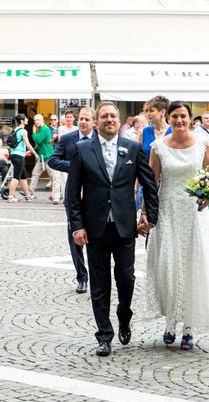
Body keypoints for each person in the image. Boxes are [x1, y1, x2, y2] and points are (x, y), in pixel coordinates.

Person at [67, 101, 158, 357]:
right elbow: (72, 194)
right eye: (104, 116)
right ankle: (104, 336)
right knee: (99, 284)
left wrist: (149, 215)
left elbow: (149, 185)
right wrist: (77, 226)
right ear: (96, 122)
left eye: (113, 116)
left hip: (125, 226)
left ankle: (124, 315)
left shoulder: (133, 148)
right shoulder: (81, 150)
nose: (109, 119)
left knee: (126, 279)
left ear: (119, 121)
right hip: (94, 228)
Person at [144, 101, 209, 350]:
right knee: (167, 266)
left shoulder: (203, 143)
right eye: (175, 116)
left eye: (184, 116)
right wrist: (146, 213)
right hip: (167, 211)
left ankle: (188, 326)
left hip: (193, 212)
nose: (179, 120)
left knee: (192, 266)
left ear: (190, 119)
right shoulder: (157, 147)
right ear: (168, 118)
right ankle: (170, 322)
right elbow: (151, 182)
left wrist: (206, 193)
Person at [48, 106, 96, 294]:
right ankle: (82, 277)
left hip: (94, 195)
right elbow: (53, 160)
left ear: (94, 122)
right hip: (74, 194)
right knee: (74, 234)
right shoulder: (68, 139)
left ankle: (97, 275)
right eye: (81, 119)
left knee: (95, 235)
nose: (83, 122)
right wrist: (75, 167)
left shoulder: (99, 139)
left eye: (87, 119)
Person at [29, 114, 60, 204]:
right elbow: (40, 145)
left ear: (42, 120)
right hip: (42, 157)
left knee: (54, 176)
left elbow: (38, 140)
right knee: (35, 173)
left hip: (48, 156)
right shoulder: (41, 129)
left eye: (38, 120)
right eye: (35, 120)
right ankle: (30, 193)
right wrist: (31, 151)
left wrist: (33, 131)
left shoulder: (44, 129)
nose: (36, 122)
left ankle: (55, 196)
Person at [7, 114, 39, 203]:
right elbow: (28, 144)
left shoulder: (15, 130)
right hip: (19, 156)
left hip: (15, 154)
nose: (28, 120)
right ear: (22, 121)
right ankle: (10, 196)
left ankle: (28, 196)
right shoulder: (23, 131)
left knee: (23, 176)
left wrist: (24, 152)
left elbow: (18, 145)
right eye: (26, 119)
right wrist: (35, 154)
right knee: (16, 177)